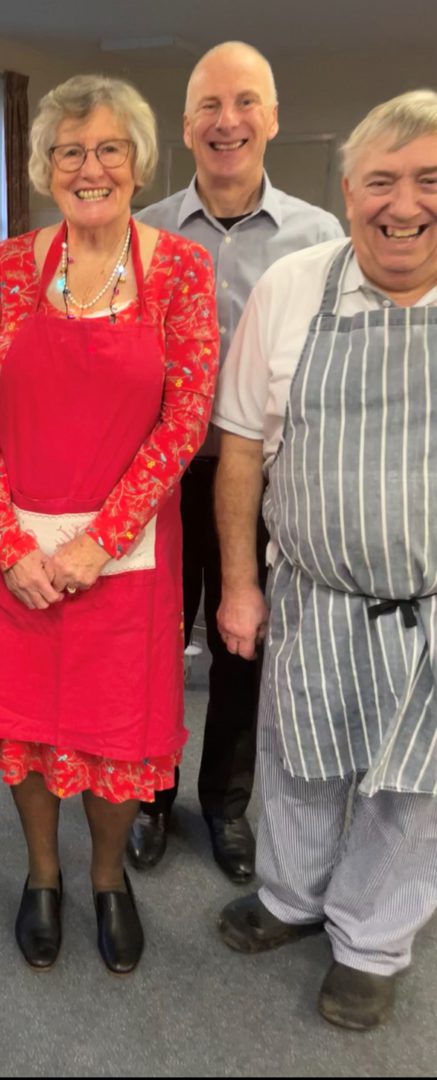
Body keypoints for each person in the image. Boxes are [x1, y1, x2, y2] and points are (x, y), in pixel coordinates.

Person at [0, 74, 219, 974]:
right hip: (14, 559)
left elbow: (183, 419)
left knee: (116, 734)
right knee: (26, 728)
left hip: (125, 558)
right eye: (69, 151)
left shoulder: (180, 271)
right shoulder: (5, 270)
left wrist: (97, 543)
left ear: (138, 163)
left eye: (108, 149)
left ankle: (107, 877)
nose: (89, 167)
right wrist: (10, 544)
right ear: (44, 167)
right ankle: (42, 874)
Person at [212, 90, 437, 1031]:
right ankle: (290, 896)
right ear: (347, 194)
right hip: (311, 591)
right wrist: (237, 583)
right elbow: (238, 448)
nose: (403, 205)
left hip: (429, 610)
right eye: (380, 181)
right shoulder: (292, 287)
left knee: (412, 790)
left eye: (428, 180)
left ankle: (371, 943)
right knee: (296, 759)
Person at [130, 41, 343, 882]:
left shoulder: (318, 237)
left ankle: (224, 802)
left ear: (273, 118)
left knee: (241, 644)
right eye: (210, 107)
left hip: (262, 478)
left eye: (245, 101)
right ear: (185, 127)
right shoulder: (142, 232)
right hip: (159, 477)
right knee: (151, 645)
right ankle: (149, 794)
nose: (228, 121)